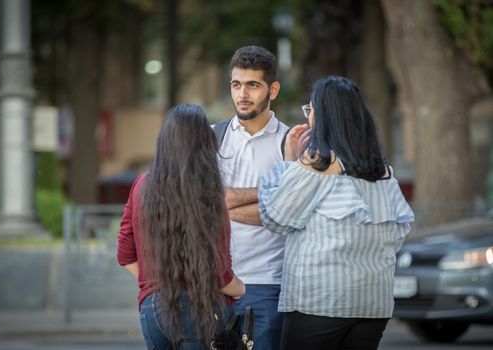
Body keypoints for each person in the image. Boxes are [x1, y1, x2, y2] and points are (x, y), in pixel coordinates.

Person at [258, 75, 415, 350]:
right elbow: (399, 232)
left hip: (319, 301)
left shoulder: (319, 162)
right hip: (372, 305)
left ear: (325, 116)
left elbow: (275, 216)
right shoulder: (382, 171)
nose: (309, 119)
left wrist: (288, 162)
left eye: (311, 110)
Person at [117, 104, 245, 349]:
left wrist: (156, 279)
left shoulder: (141, 185)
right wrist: (241, 288)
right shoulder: (208, 191)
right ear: (204, 144)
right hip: (199, 309)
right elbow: (219, 274)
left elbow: (125, 255)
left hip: (152, 310)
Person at [215, 45, 289, 350]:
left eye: (253, 85)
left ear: (273, 89)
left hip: (267, 282)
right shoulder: (212, 137)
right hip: (215, 281)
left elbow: (284, 213)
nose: (242, 94)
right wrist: (269, 196)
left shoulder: (290, 142)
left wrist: (221, 204)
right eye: (236, 84)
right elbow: (200, 202)